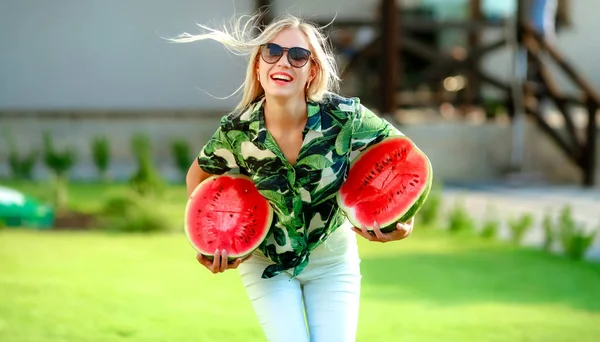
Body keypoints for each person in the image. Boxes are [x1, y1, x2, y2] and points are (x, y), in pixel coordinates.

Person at [179, 13, 415, 342]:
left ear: (312, 71)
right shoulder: (237, 131)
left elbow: (404, 158)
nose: (283, 62)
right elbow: (198, 176)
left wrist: (404, 219)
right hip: (266, 263)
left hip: (333, 261)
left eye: (298, 55)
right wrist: (215, 238)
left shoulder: (343, 117)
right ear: (259, 67)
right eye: (272, 52)